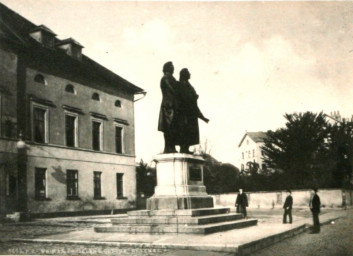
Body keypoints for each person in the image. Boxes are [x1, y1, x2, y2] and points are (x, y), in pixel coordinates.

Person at [177, 68, 209, 153]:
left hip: (191, 112)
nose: (190, 74)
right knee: (184, 130)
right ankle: (183, 148)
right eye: (188, 73)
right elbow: (182, 97)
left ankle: (186, 148)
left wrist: (202, 117)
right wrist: (194, 97)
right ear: (184, 75)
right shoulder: (179, 85)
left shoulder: (188, 85)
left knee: (189, 132)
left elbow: (193, 102)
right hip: (184, 112)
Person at [158, 62, 179, 153]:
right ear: (168, 68)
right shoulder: (165, 78)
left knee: (173, 127)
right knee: (168, 127)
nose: (173, 68)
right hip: (168, 106)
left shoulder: (172, 79)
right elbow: (172, 89)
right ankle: (168, 147)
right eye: (172, 67)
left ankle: (172, 147)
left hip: (173, 105)